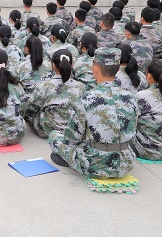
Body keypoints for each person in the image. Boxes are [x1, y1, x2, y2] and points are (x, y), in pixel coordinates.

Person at [49, 48, 139, 179]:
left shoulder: (87, 98)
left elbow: (72, 137)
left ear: (95, 68)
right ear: (118, 69)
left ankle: (72, 160)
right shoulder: (131, 97)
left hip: (95, 164)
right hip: (125, 163)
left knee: (54, 136)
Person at [25, 49, 85, 139]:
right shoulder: (81, 87)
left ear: (53, 65)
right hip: (73, 132)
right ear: (72, 64)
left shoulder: (44, 86)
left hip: (48, 131)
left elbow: (30, 109)